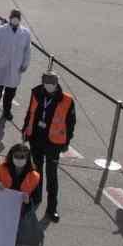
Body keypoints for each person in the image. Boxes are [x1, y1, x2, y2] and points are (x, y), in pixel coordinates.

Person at [22, 72, 76, 222]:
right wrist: (25, 129)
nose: (48, 86)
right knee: (36, 171)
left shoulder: (67, 100)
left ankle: (52, 208)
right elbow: (30, 111)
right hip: (36, 138)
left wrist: (66, 142)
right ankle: (36, 197)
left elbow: (71, 123)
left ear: (57, 84)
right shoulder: (37, 93)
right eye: (46, 83)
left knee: (52, 176)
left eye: (51, 84)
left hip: (54, 143)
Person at [0, 10, 31, 121]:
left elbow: (27, 50)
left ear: (20, 19)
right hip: (0, 67)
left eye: (17, 17)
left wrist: (25, 64)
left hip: (15, 68)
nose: (15, 19)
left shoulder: (25, 33)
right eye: (13, 16)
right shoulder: (0, 31)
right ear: (10, 17)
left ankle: (7, 111)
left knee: (10, 93)